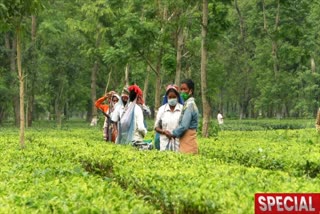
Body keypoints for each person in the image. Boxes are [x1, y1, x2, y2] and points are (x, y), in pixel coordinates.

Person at [165, 79, 199, 154]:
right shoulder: (187, 104)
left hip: (188, 140)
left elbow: (184, 125)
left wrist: (173, 134)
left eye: (185, 89)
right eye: (181, 89)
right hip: (186, 139)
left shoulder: (190, 105)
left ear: (191, 91)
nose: (182, 91)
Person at [154, 85, 183, 151]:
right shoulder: (162, 109)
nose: (172, 99)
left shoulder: (182, 109)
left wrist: (175, 134)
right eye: (170, 97)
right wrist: (164, 132)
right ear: (167, 97)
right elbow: (156, 127)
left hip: (178, 143)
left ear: (177, 97)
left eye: (174, 97)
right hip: (164, 143)